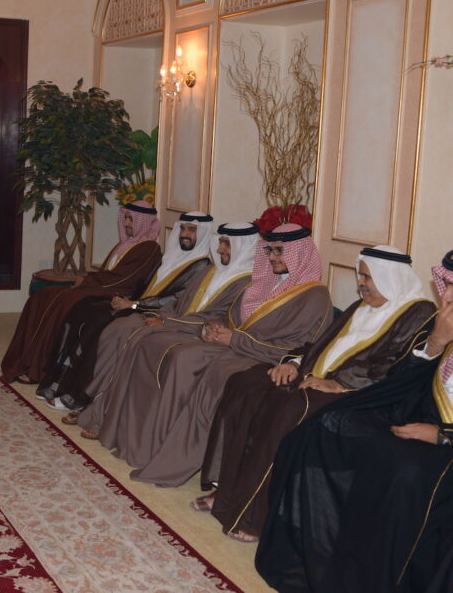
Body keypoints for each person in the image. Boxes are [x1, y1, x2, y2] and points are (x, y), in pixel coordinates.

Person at [196, 245, 434, 543]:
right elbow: (318, 344)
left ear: (391, 278)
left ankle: (254, 515)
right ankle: (226, 491)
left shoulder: (418, 314)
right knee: (246, 384)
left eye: (368, 277)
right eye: (360, 276)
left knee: (288, 408)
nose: (360, 283)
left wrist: (339, 383)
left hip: (357, 395)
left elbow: (394, 368)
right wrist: (294, 364)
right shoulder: (360, 306)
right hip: (313, 378)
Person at [256, 253, 453, 592]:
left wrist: (443, 435)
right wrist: (436, 342)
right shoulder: (442, 326)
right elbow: (404, 381)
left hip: (442, 443)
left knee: (404, 470)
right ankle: (320, 551)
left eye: (452, 288)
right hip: (418, 418)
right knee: (329, 423)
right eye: (446, 284)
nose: (445, 296)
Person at [83, 223, 333, 487]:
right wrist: (213, 330)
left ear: (299, 253)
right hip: (235, 346)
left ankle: (168, 455)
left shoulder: (315, 296)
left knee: (183, 359)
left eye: (279, 251)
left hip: (259, 356)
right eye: (270, 250)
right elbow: (232, 318)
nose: (272, 257)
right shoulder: (264, 283)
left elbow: (299, 348)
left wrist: (233, 338)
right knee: (155, 345)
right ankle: (138, 441)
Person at [65, 222, 259, 421]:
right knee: (119, 328)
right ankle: (94, 401)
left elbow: (216, 317)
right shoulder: (210, 271)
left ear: (243, 246)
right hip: (174, 321)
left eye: (227, 244)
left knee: (137, 338)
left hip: (192, 331)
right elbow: (180, 301)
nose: (219, 249)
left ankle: (107, 411)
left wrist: (167, 322)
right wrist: (161, 315)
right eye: (220, 243)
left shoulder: (246, 283)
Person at [37, 212, 216, 411]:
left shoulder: (201, 266)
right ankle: (59, 382)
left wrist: (134, 304)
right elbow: (144, 284)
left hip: (152, 312)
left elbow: (175, 298)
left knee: (97, 326)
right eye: (182, 228)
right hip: (136, 304)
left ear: (203, 233)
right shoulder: (171, 255)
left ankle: (79, 395)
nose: (184, 234)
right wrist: (125, 299)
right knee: (83, 312)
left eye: (192, 230)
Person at [0, 201, 162, 384]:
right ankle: (26, 361)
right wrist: (89, 279)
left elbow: (124, 279)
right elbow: (109, 273)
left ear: (143, 221)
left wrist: (87, 281)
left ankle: (38, 367)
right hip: (102, 286)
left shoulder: (149, 248)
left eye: (131, 219)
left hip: (115, 292)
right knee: (42, 296)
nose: (126, 223)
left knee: (62, 301)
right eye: (126, 218)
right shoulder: (127, 244)